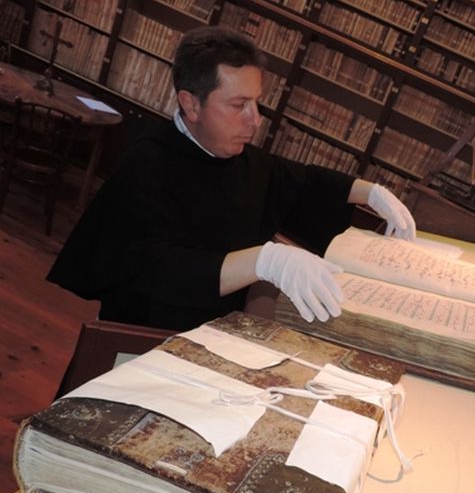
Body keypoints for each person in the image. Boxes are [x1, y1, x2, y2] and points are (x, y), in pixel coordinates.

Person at [47, 26, 416, 332]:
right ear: (191, 104)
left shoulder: (242, 160)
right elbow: (163, 271)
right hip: (144, 335)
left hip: (218, 335)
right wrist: (265, 261)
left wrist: (372, 193)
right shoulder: (146, 166)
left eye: (257, 103)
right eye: (239, 105)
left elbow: (305, 183)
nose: (255, 120)